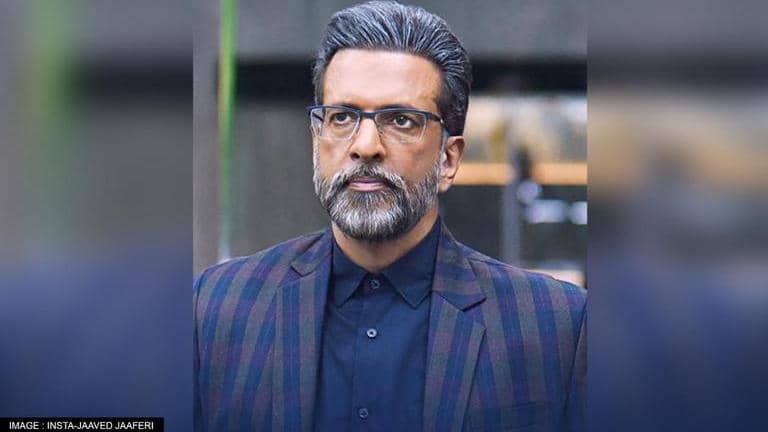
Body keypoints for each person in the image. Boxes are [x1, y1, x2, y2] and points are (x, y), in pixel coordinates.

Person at [194, 2, 586, 431]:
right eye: (342, 117)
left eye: (401, 120)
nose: (365, 145)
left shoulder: (556, 327)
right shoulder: (215, 309)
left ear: (449, 158)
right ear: (316, 139)